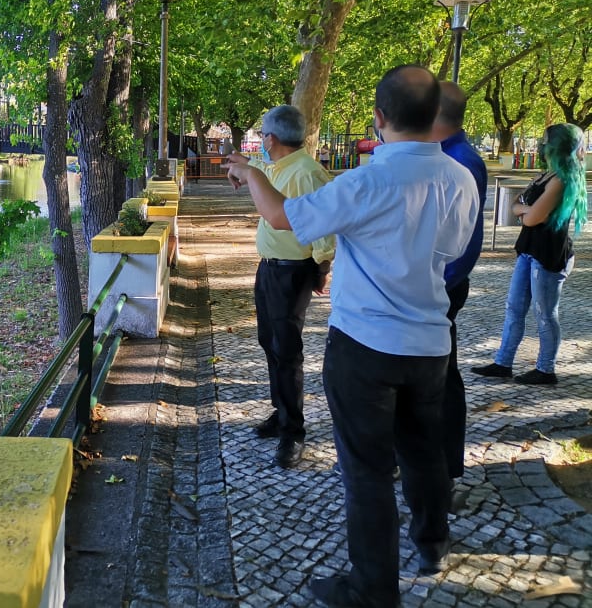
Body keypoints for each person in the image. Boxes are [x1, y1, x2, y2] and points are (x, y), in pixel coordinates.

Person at [225, 65, 478, 608]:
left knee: (367, 469)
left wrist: (249, 172)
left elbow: (282, 216)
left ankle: (372, 587)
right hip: (431, 343)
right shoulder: (460, 179)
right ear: (433, 115)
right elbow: (456, 252)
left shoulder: (366, 182)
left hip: (365, 344)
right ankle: (432, 543)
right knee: (423, 450)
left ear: (379, 117)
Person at [228, 105, 335, 469]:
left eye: (262, 135)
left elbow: (323, 230)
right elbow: (265, 176)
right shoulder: (282, 166)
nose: (261, 141)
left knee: (287, 351)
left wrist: (321, 268)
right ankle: (281, 411)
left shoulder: (306, 173)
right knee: (270, 342)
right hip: (271, 268)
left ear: (271, 139)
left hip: (292, 271)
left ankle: (293, 430)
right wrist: (245, 167)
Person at [472, 123, 587, 385]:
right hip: (529, 249)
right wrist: (526, 211)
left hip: (549, 254)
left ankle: (546, 369)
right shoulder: (545, 176)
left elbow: (531, 217)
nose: (542, 145)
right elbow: (516, 206)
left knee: (545, 314)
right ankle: (503, 363)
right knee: (514, 308)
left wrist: (526, 211)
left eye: (546, 141)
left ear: (557, 146)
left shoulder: (561, 180)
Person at [432, 81, 488, 487]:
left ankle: (445, 467)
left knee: (441, 376)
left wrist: (438, 288)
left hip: (441, 288)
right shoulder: (445, 155)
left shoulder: (460, 161)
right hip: (435, 285)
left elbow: (466, 243)